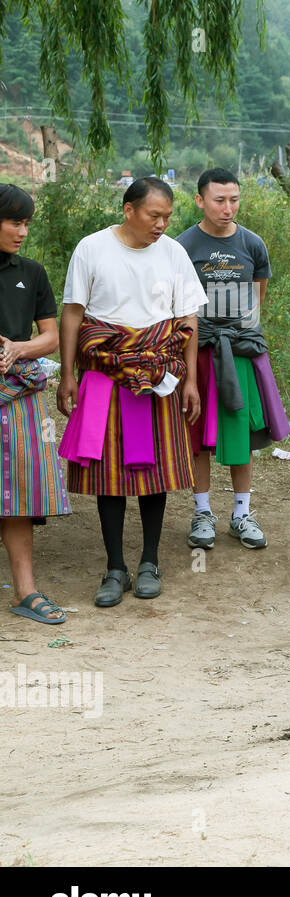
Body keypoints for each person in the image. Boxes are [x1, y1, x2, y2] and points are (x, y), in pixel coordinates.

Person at [57, 177, 208, 607]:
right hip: (105, 374)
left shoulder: (174, 253)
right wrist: (68, 374)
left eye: (166, 217)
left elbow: (187, 322)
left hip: (158, 376)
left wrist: (191, 382)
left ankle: (149, 562)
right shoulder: (92, 248)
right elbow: (73, 313)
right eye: (153, 215)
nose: (161, 224)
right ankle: (115, 567)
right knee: (110, 477)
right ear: (129, 210)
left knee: (152, 474)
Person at [177, 168, 289, 551]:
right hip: (199, 350)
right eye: (219, 200)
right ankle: (202, 511)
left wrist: (237, 333)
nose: (227, 208)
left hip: (240, 349)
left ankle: (242, 513)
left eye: (234, 200)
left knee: (241, 431)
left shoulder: (253, 244)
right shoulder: (183, 246)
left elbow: (258, 298)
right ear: (200, 201)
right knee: (199, 435)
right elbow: (179, 306)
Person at [0, 184, 71, 623]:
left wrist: (16, 349)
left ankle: (25, 592)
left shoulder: (32, 271)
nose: (22, 231)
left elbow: (51, 335)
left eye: (26, 223)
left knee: (17, 495)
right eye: (14, 221)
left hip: (18, 397)